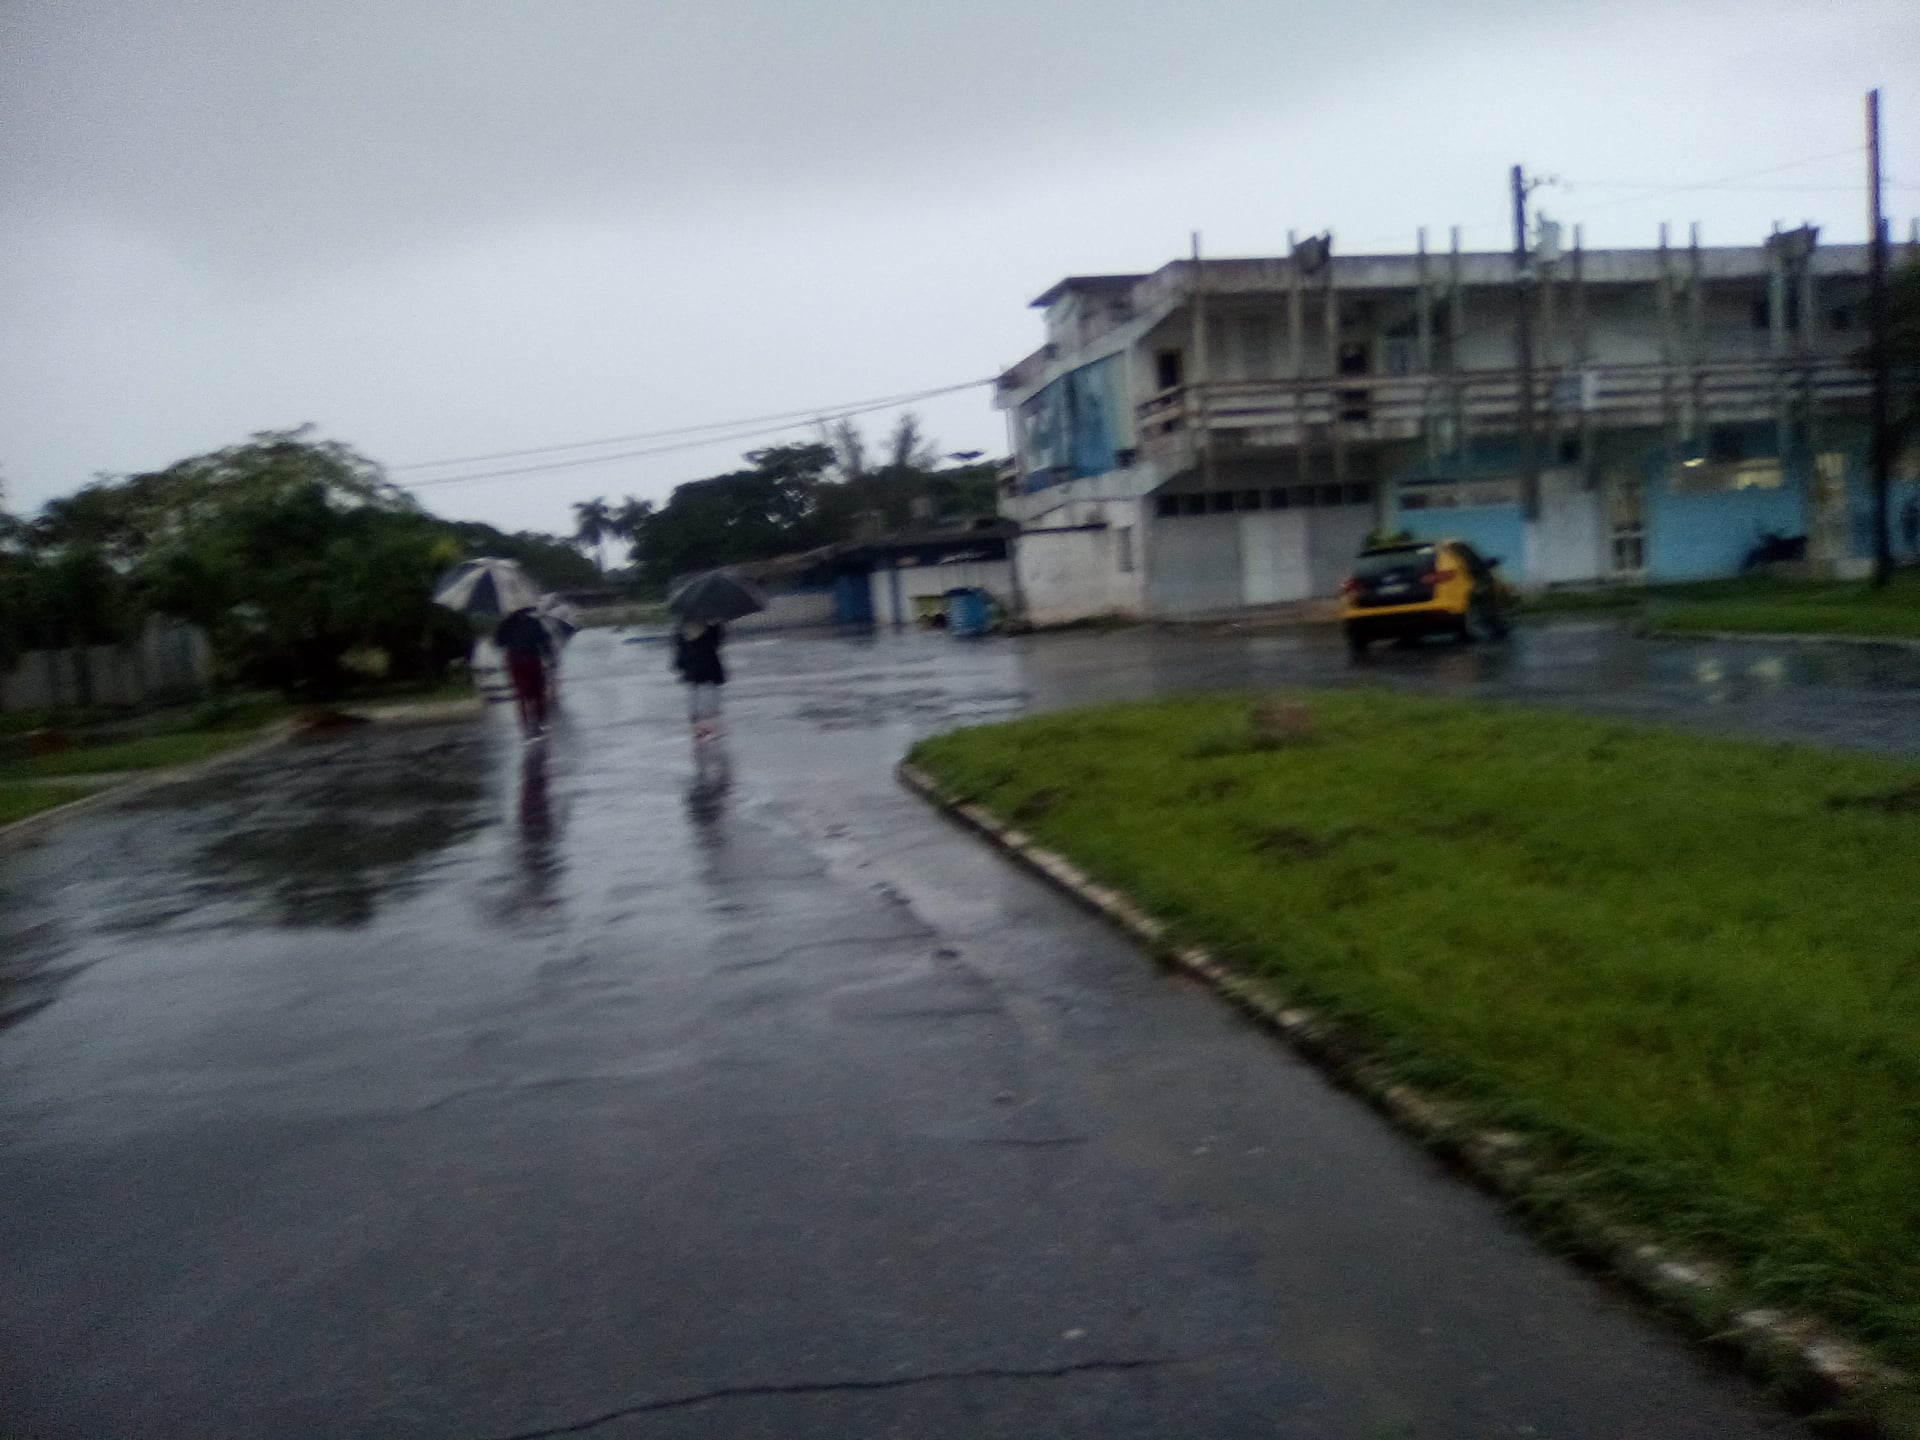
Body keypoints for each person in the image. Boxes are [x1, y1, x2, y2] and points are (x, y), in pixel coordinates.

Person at [494, 605, 556, 741]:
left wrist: (550, 658)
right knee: (523, 694)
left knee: (538, 692)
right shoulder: (507, 624)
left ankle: (539, 722)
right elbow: (498, 642)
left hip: (532, 658)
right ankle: (528, 729)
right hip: (516, 661)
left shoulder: (533, 623)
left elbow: (544, 640)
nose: (520, 612)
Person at [673, 620, 726, 740]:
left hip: (691, 667)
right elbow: (716, 643)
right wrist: (717, 625)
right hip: (708, 666)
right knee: (710, 695)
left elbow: (679, 647)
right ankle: (711, 726)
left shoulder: (681, 627)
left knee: (693, 695)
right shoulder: (711, 627)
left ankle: (697, 727)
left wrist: (681, 663)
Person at [1902, 495, 1920, 561]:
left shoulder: (1912, 509)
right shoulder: (1913, 509)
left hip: (1912, 528)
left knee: (1911, 540)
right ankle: (1913, 553)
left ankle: (1913, 553)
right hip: (1911, 528)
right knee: (1911, 541)